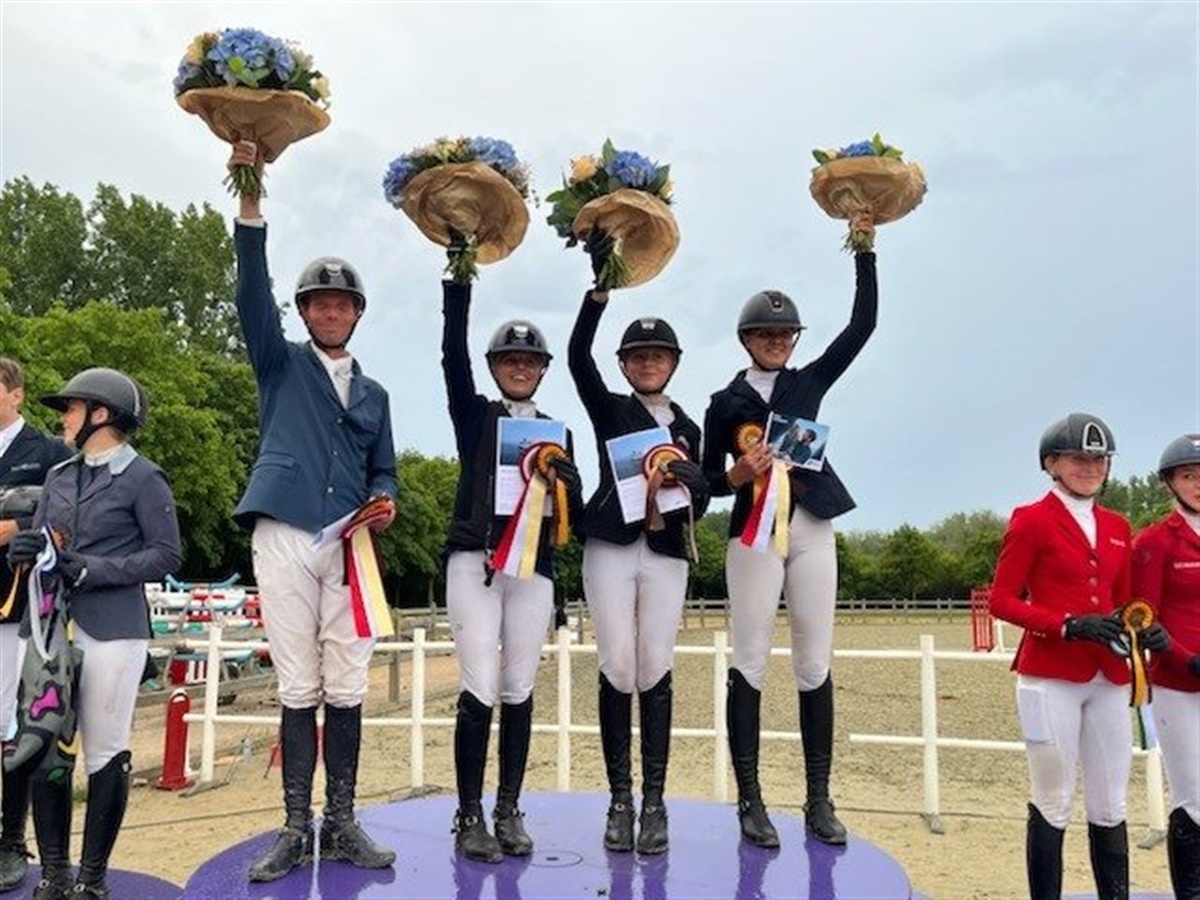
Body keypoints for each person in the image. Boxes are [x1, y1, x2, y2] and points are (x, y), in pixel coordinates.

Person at [226, 141, 399, 883]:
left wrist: (387, 501)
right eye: (319, 302)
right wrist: (251, 200)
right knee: (299, 683)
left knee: (348, 681)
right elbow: (250, 297)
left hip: (351, 545)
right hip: (286, 531)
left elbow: (383, 467)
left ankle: (343, 819)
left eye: (342, 303)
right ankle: (295, 826)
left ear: (356, 314)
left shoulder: (376, 394)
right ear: (304, 313)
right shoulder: (280, 362)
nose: (331, 310)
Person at [700, 215, 877, 848]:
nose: (776, 341)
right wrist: (735, 472)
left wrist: (864, 250)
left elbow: (862, 327)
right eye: (765, 333)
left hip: (811, 526)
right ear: (747, 339)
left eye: (784, 333)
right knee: (749, 658)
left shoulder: (809, 381)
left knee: (814, 660)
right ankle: (750, 799)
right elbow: (705, 481)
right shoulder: (724, 404)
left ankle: (818, 798)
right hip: (752, 534)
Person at [6, 367, 182, 899]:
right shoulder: (60, 476)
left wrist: (92, 569)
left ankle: (93, 878)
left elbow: (165, 554)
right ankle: (54, 873)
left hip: (113, 628)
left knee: (104, 749)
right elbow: (47, 541)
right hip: (50, 627)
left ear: (100, 415)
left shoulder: (144, 479)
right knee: (46, 747)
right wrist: (25, 550)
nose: (64, 418)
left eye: (72, 408)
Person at [441, 236, 582, 863]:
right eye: (510, 360)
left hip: (533, 570)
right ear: (495, 366)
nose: (520, 368)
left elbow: (571, 512)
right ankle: (469, 813)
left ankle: (508, 807)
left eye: (530, 361)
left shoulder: (558, 433)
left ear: (542, 369)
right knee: (480, 684)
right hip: (476, 561)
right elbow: (452, 357)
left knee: (520, 686)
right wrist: (458, 279)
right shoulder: (475, 416)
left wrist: (570, 483)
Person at [989, 413, 1166, 900]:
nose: (1091, 467)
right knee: (1053, 800)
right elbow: (1002, 600)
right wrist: (1066, 624)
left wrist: (1142, 628)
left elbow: (1125, 601)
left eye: (1099, 459)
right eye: (1078, 458)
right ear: (1051, 463)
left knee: (1111, 803)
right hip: (1051, 676)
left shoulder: (1117, 525)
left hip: (1108, 675)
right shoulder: (1031, 519)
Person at [567, 273, 710, 854]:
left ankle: (654, 801)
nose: (648, 363)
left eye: (658, 355)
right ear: (625, 365)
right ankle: (619, 798)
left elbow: (698, 501)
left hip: (666, 552)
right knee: (618, 666)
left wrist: (699, 483)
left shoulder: (689, 428)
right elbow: (577, 359)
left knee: (654, 666)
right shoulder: (610, 409)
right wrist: (597, 296)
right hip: (611, 545)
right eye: (638, 356)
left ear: (672, 363)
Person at [0, 358, 71, 895]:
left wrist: (17, 527)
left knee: (10, 726)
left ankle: (9, 841)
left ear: (17, 394)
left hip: (16, 607)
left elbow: (70, 515)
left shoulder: (49, 453)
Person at [1132, 434, 1200, 899]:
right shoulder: (1155, 542)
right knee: (1193, 796)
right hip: (1180, 684)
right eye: (1189, 475)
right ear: (1170, 483)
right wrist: (1186, 659)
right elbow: (1144, 617)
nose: (1198, 484)